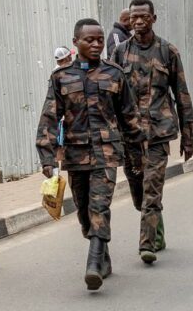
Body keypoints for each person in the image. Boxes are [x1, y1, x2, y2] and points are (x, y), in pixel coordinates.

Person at [36, 18, 143, 291]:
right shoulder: (60, 78)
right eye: (89, 40)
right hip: (75, 155)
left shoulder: (115, 74)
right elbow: (50, 117)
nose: (96, 45)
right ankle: (102, 254)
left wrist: (136, 155)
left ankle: (93, 264)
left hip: (107, 153)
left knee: (100, 207)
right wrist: (47, 157)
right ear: (76, 43)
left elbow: (130, 116)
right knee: (84, 213)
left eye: (99, 40)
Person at [112, 0, 193, 264]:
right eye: (134, 17)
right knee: (138, 194)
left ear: (153, 19)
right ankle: (157, 231)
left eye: (143, 17)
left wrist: (188, 136)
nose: (138, 21)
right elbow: (110, 96)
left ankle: (146, 245)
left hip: (159, 133)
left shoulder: (167, 52)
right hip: (129, 137)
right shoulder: (119, 53)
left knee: (152, 190)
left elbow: (181, 94)